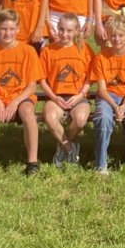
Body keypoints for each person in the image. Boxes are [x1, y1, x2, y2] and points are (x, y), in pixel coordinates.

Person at [0, 9, 44, 181]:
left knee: (28, 112)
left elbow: (31, 86)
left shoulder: (28, 51)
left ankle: (32, 162)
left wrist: (15, 102)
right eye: (3, 29)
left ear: (18, 29)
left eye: (12, 29)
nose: (8, 33)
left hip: (20, 97)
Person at [89, 14, 125, 175]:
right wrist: (115, 107)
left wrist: (124, 106)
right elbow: (101, 89)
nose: (117, 39)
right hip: (107, 97)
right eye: (113, 35)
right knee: (103, 118)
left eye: (121, 35)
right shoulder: (101, 58)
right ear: (107, 36)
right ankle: (101, 164)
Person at [38, 12, 93, 169]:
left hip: (78, 96)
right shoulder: (48, 50)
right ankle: (69, 148)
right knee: (50, 118)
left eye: (69, 31)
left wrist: (80, 95)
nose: (64, 34)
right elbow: (41, 80)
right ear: (57, 27)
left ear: (76, 31)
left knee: (80, 120)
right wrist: (54, 97)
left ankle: (62, 144)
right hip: (56, 96)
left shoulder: (84, 49)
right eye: (61, 29)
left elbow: (90, 78)